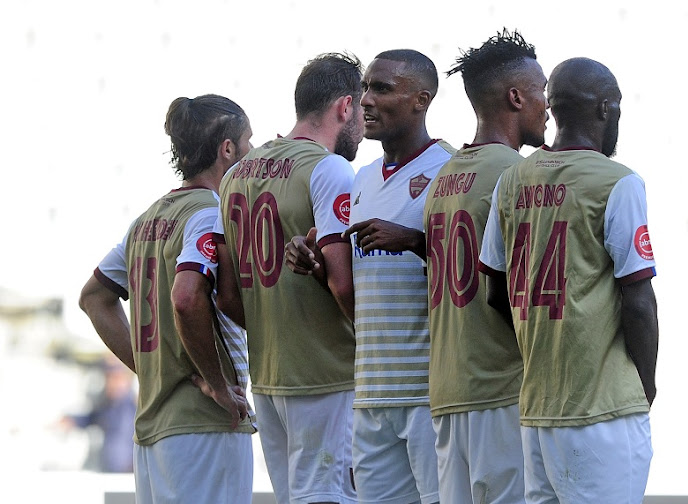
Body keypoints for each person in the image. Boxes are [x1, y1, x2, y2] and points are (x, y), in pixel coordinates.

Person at [479, 57, 659, 504]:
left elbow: (495, 293)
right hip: (602, 411)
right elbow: (638, 300)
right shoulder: (618, 183)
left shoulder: (510, 181)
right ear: (604, 109)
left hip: (538, 411)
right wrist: (646, 385)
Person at [286, 49, 453, 504]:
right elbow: (358, 283)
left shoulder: (450, 172)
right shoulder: (360, 179)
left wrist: (417, 241)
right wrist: (316, 265)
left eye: (381, 88)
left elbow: (478, 271)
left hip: (428, 394)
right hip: (372, 393)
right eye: (364, 89)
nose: (365, 101)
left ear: (422, 99)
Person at [79, 94, 256, 504]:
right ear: (227, 149)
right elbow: (186, 297)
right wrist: (218, 384)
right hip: (205, 425)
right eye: (248, 142)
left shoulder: (147, 219)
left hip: (153, 427)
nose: (251, 152)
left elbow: (94, 298)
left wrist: (150, 366)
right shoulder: (210, 213)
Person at [215, 52, 363, 504]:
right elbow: (341, 281)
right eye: (361, 108)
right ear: (344, 107)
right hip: (327, 375)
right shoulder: (330, 169)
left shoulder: (236, 175)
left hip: (270, 375)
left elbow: (225, 295)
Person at [424, 29, 547, 504]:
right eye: (541, 93)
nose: (548, 104)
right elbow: (519, 290)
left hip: (449, 390)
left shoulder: (445, 175)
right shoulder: (512, 175)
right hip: (501, 388)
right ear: (516, 97)